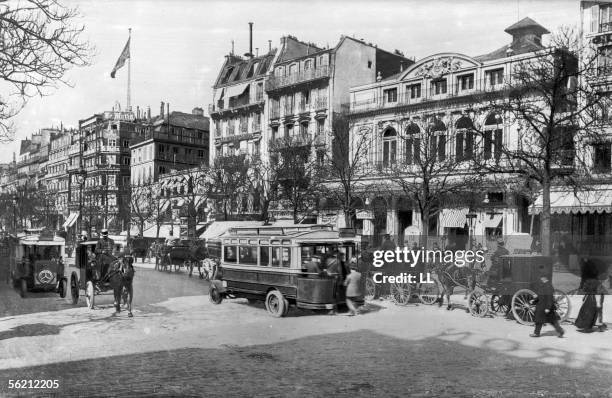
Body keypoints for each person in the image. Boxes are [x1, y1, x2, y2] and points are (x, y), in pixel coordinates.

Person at [530, 270, 565, 338]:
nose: (540, 279)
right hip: (541, 305)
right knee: (541, 320)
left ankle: (560, 331)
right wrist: (534, 300)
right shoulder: (543, 285)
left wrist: (548, 308)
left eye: (541, 278)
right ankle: (537, 333)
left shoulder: (548, 286)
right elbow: (540, 296)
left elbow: (549, 298)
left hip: (545, 306)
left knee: (551, 321)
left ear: (545, 278)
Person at [575, 258, 607, 332]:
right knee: (592, 311)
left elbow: (597, 292)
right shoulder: (593, 279)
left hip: (595, 296)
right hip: (594, 295)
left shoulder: (591, 280)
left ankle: (589, 326)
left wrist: (598, 302)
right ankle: (597, 325)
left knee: (589, 311)